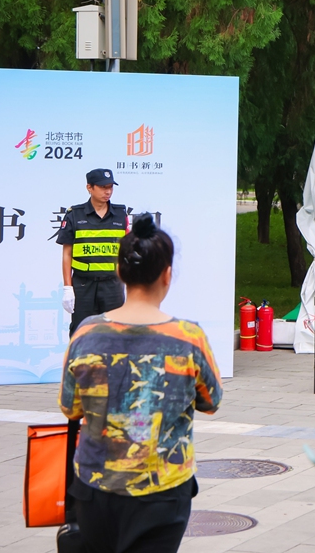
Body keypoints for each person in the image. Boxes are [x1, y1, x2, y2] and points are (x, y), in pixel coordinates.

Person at [60, 215, 222, 553]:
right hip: (163, 490)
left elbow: (69, 406)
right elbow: (211, 401)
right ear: (167, 274)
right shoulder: (188, 338)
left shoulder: (86, 333)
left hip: (94, 488)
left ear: (119, 272)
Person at [57, 168, 130, 335]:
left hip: (113, 285)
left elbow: (126, 249)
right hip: (83, 285)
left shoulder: (120, 214)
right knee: (82, 334)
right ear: (89, 187)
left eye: (111, 187)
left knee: (116, 334)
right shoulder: (74, 215)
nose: (108, 191)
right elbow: (67, 254)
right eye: (103, 187)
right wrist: (68, 288)